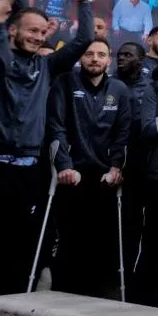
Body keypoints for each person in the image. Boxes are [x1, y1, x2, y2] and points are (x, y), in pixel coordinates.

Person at [0, 0, 94, 297]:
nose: (37, 36)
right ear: (13, 30)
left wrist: (83, 0)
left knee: (22, 244)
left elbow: (81, 41)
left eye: (41, 31)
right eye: (30, 30)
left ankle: (14, 306)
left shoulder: (46, 67)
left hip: (29, 171)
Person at [47, 38, 132, 297]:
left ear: (108, 59)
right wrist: (64, 165)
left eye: (101, 54)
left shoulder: (119, 89)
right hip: (72, 175)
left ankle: (97, 298)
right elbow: (56, 126)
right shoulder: (64, 83)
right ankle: (63, 295)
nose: (94, 58)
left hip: (105, 178)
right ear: (80, 58)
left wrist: (117, 165)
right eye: (89, 54)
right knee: (70, 240)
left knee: (102, 242)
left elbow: (123, 132)